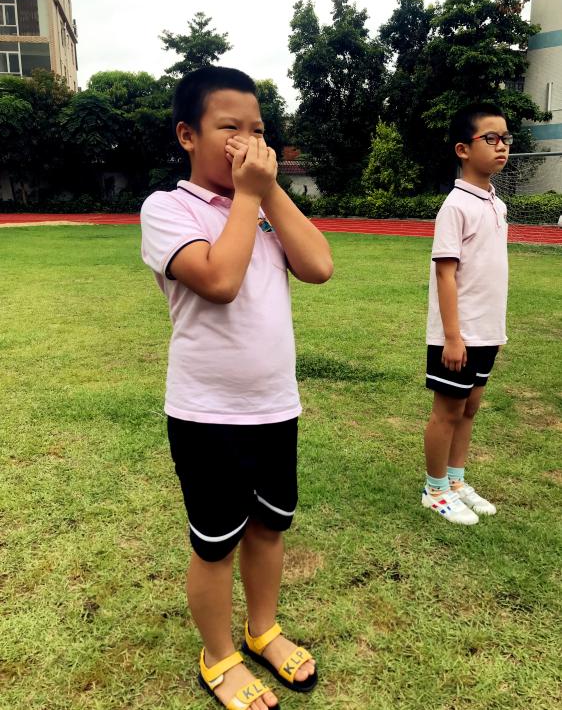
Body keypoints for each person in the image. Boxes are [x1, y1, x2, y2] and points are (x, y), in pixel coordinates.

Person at [140, 66, 333, 710]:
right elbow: (219, 281)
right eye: (231, 128)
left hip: (274, 406)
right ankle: (218, 654)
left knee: (269, 531)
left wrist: (266, 193)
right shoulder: (168, 209)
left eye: (258, 129)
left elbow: (319, 265)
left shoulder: (264, 207)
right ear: (187, 135)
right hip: (206, 414)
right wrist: (249, 197)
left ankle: (263, 630)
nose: (249, 142)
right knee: (216, 544)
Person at [422, 103, 512, 525]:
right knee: (448, 411)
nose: (501, 146)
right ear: (463, 149)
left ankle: (456, 481)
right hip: (457, 335)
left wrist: (493, 331)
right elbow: (445, 274)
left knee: (470, 408)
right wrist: (453, 337)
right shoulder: (455, 206)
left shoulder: (497, 204)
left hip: (487, 331)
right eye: (490, 138)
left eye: (505, 138)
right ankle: (435, 489)